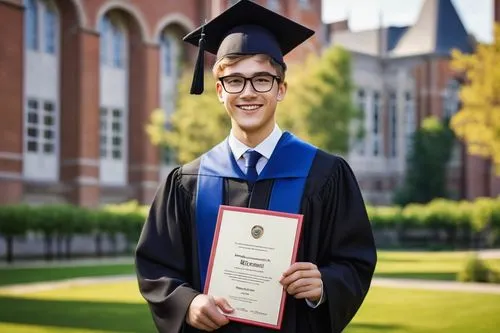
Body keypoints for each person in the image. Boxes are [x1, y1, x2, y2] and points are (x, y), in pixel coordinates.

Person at [135, 1, 377, 332]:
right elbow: (156, 267)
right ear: (219, 91)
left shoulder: (325, 174)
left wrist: (324, 284)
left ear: (281, 89)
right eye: (235, 81)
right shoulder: (187, 182)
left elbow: (355, 261)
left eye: (262, 79)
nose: (248, 92)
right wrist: (188, 302)